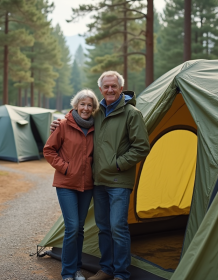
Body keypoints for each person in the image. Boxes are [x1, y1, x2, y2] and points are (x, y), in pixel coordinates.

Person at [51, 71, 150, 280]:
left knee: (118, 227)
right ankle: (107, 269)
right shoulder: (96, 113)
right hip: (97, 182)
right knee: (103, 227)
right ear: (101, 89)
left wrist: (118, 164)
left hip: (119, 181)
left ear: (121, 88)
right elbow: (76, 118)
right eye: (106, 87)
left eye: (114, 86)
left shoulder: (132, 114)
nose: (110, 90)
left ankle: (121, 274)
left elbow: (142, 147)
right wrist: (57, 124)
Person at [44, 89, 99, 280]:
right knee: (72, 226)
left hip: (87, 185)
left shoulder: (96, 127)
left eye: (89, 105)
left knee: (80, 228)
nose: (85, 108)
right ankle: (67, 272)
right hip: (66, 183)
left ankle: (76, 269)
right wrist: (66, 168)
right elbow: (49, 150)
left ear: (93, 109)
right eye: (82, 104)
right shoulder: (63, 124)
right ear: (76, 105)